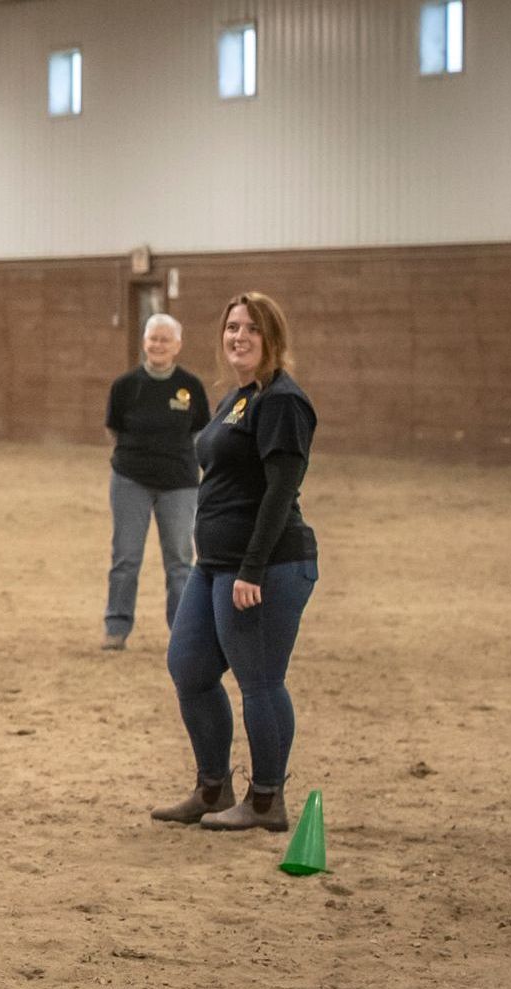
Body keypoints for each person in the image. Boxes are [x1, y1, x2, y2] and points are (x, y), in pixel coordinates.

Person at [152, 292, 318, 832]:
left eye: (251, 328)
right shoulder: (239, 398)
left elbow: (280, 493)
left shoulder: (284, 402)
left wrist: (251, 569)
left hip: (264, 568)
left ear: (272, 337)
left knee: (260, 682)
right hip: (214, 563)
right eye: (231, 327)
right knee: (190, 668)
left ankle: (267, 800)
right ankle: (213, 788)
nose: (238, 336)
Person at [102, 314, 209, 650]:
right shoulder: (125, 385)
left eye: (166, 339)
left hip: (179, 482)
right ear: (144, 342)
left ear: (177, 345)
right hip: (130, 480)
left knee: (179, 560)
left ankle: (183, 631)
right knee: (126, 557)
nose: (158, 345)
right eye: (153, 339)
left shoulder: (191, 387)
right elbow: (114, 429)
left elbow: (201, 431)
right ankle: (116, 626)